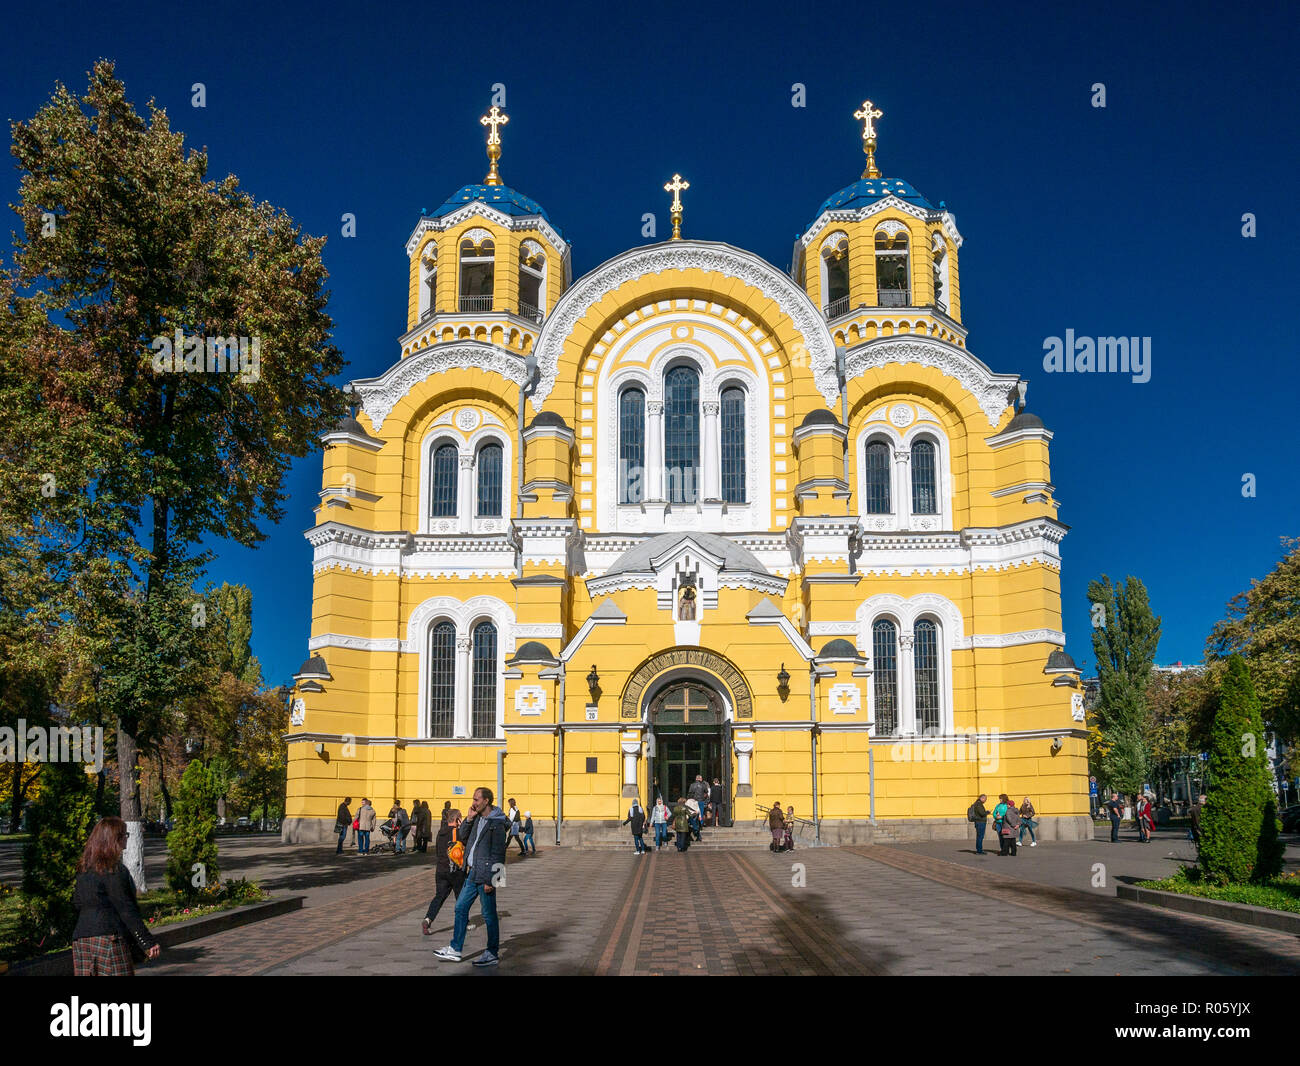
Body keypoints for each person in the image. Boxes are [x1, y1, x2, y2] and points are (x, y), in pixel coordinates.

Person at [72, 817, 161, 975]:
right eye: (124, 835)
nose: (126, 838)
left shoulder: (84, 869)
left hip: (82, 940)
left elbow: (78, 903)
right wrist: (147, 941)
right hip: (109, 940)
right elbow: (126, 908)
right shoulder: (113, 870)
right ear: (115, 839)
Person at [435, 786, 509, 966]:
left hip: (485, 877)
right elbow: (461, 836)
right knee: (460, 908)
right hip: (471, 873)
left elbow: (499, 853)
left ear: (486, 801)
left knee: (489, 915)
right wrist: (468, 819)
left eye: (476, 799)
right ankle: (455, 949)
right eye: (473, 799)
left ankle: (492, 953)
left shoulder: (497, 823)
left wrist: (494, 880)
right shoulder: (477, 818)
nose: (473, 802)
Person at [422, 808, 465, 935]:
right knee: (461, 897)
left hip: (440, 869)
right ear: (457, 819)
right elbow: (464, 846)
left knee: (439, 896)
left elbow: (438, 851)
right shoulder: (457, 832)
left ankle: (428, 919)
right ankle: (464, 923)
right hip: (455, 870)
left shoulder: (440, 832)